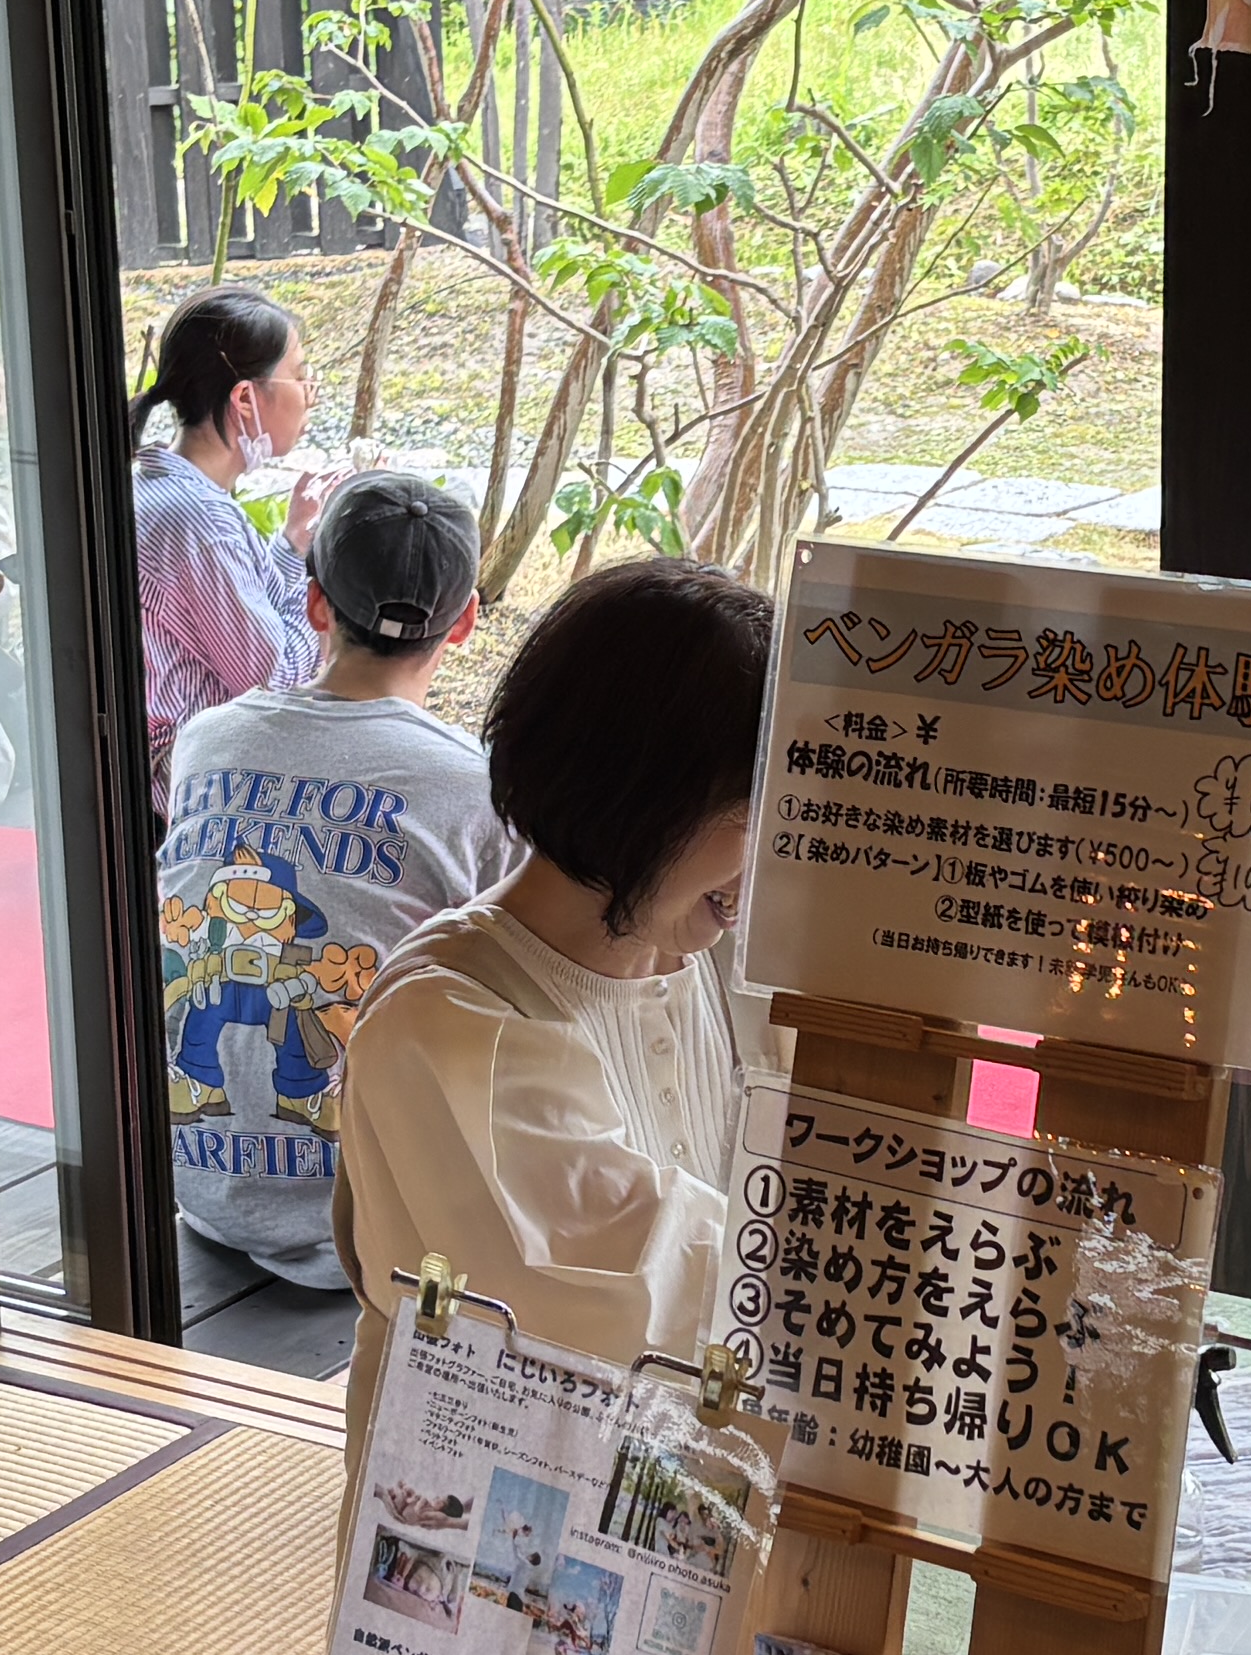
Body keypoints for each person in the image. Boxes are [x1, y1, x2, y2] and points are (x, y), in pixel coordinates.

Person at [328, 552, 772, 1374]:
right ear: (639, 797)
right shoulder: (446, 1021)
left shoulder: (716, 960)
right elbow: (639, 1287)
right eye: (756, 816)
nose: (775, 860)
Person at [153, 467, 509, 1290]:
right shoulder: (480, 789)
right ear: (463, 623)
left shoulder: (207, 741)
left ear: (315, 603)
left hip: (197, 1190)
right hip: (369, 1228)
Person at [128, 285, 321, 798]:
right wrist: (328, 606)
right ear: (245, 399)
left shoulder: (176, 490)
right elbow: (278, 681)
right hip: (196, 788)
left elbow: (258, 615)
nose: (311, 393)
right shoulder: (197, 522)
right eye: (301, 375)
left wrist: (293, 543)